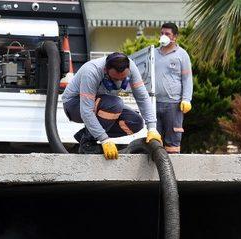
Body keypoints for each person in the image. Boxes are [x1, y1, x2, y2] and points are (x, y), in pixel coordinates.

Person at [62, 52, 162, 160]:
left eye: (123, 79)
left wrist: (152, 128)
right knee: (115, 104)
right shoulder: (91, 72)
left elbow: (142, 97)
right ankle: (87, 143)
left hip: (105, 103)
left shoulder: (131, 67)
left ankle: (85, 135)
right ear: (105, 70)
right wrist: (104, 139)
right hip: (74, 105)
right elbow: (86, 111)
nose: (119, 83)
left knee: (135, 122)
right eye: (115, 79)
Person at [155, 22, 193, 154]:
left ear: (174, 37)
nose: (163, 36)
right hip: (154, 103)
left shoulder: (182, 55)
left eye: (167, 34)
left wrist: (186, 99)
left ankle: (172, 171)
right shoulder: (153, 54)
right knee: (154, 139)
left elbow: (187, 79)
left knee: (173, 140)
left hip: (173, 104)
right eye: (162, 33)